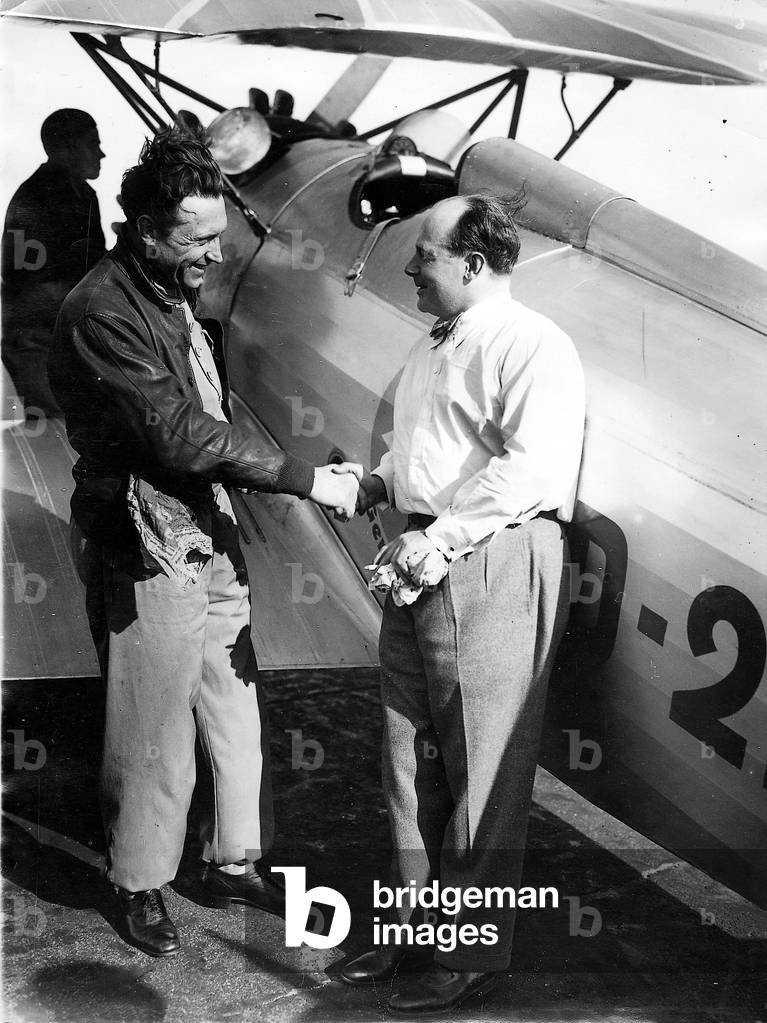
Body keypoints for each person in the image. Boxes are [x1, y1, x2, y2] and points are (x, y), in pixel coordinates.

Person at [48, 126, 359, 958]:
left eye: (220, 236)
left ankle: (233, 855)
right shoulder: (102, 311)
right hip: (144, 536)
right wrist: (306, 478)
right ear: (145, 228)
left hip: (205, 524)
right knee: (152, 721)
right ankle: (139, 878)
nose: (215, 256)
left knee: (233, 694)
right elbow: (177, 434)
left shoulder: (163, 287)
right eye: (195, 240)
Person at [338, 194, 585, 1015]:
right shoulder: (436, 342)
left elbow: (529, 468)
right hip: (423, 553)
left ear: (473, 264)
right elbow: (421, 449)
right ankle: (413, 927)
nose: (409, 267)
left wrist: (438, 538)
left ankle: (468, 953)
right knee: (408, 757)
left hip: (489, 556)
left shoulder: (532, 343)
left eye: (425, 256)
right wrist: (376, 483)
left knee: (482, 765)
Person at [2, 109, 106, 416]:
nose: (102, 153)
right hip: (38, 349)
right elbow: (29, 288)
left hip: (67, 343)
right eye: (93, 143)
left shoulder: (84, 195)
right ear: (68, 148)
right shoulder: (34, 198)